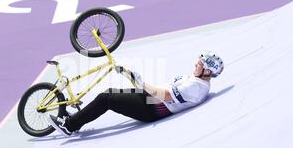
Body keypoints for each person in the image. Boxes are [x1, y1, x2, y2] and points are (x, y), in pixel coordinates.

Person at [47, 51, 224, 137]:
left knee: (106, 98)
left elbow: (166, 96)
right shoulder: (199, 81)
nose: (196, 64)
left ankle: (69, 126)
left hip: (153, 108)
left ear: (207, 71)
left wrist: (140, 83)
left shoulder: (196, 87)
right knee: (112, 93)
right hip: (152, 101)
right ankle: (78, 118)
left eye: (200, 64)